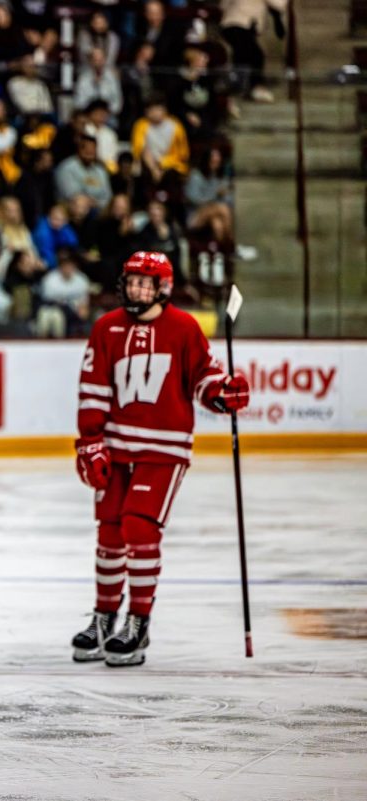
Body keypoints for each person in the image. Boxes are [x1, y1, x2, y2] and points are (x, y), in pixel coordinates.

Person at [72, 251, 249, 667]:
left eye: (143, 283)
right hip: (115, 446)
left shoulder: (184, 328)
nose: (135, 289)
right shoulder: (106, 327)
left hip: (164, 449)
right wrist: (89, 443)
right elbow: (93, 389)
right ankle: (104, 617)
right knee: (110, 533)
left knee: (139, 527)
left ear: (162, 288)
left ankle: (138, 622)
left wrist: (223, 392)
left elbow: (204, 377)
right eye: (130, 281)